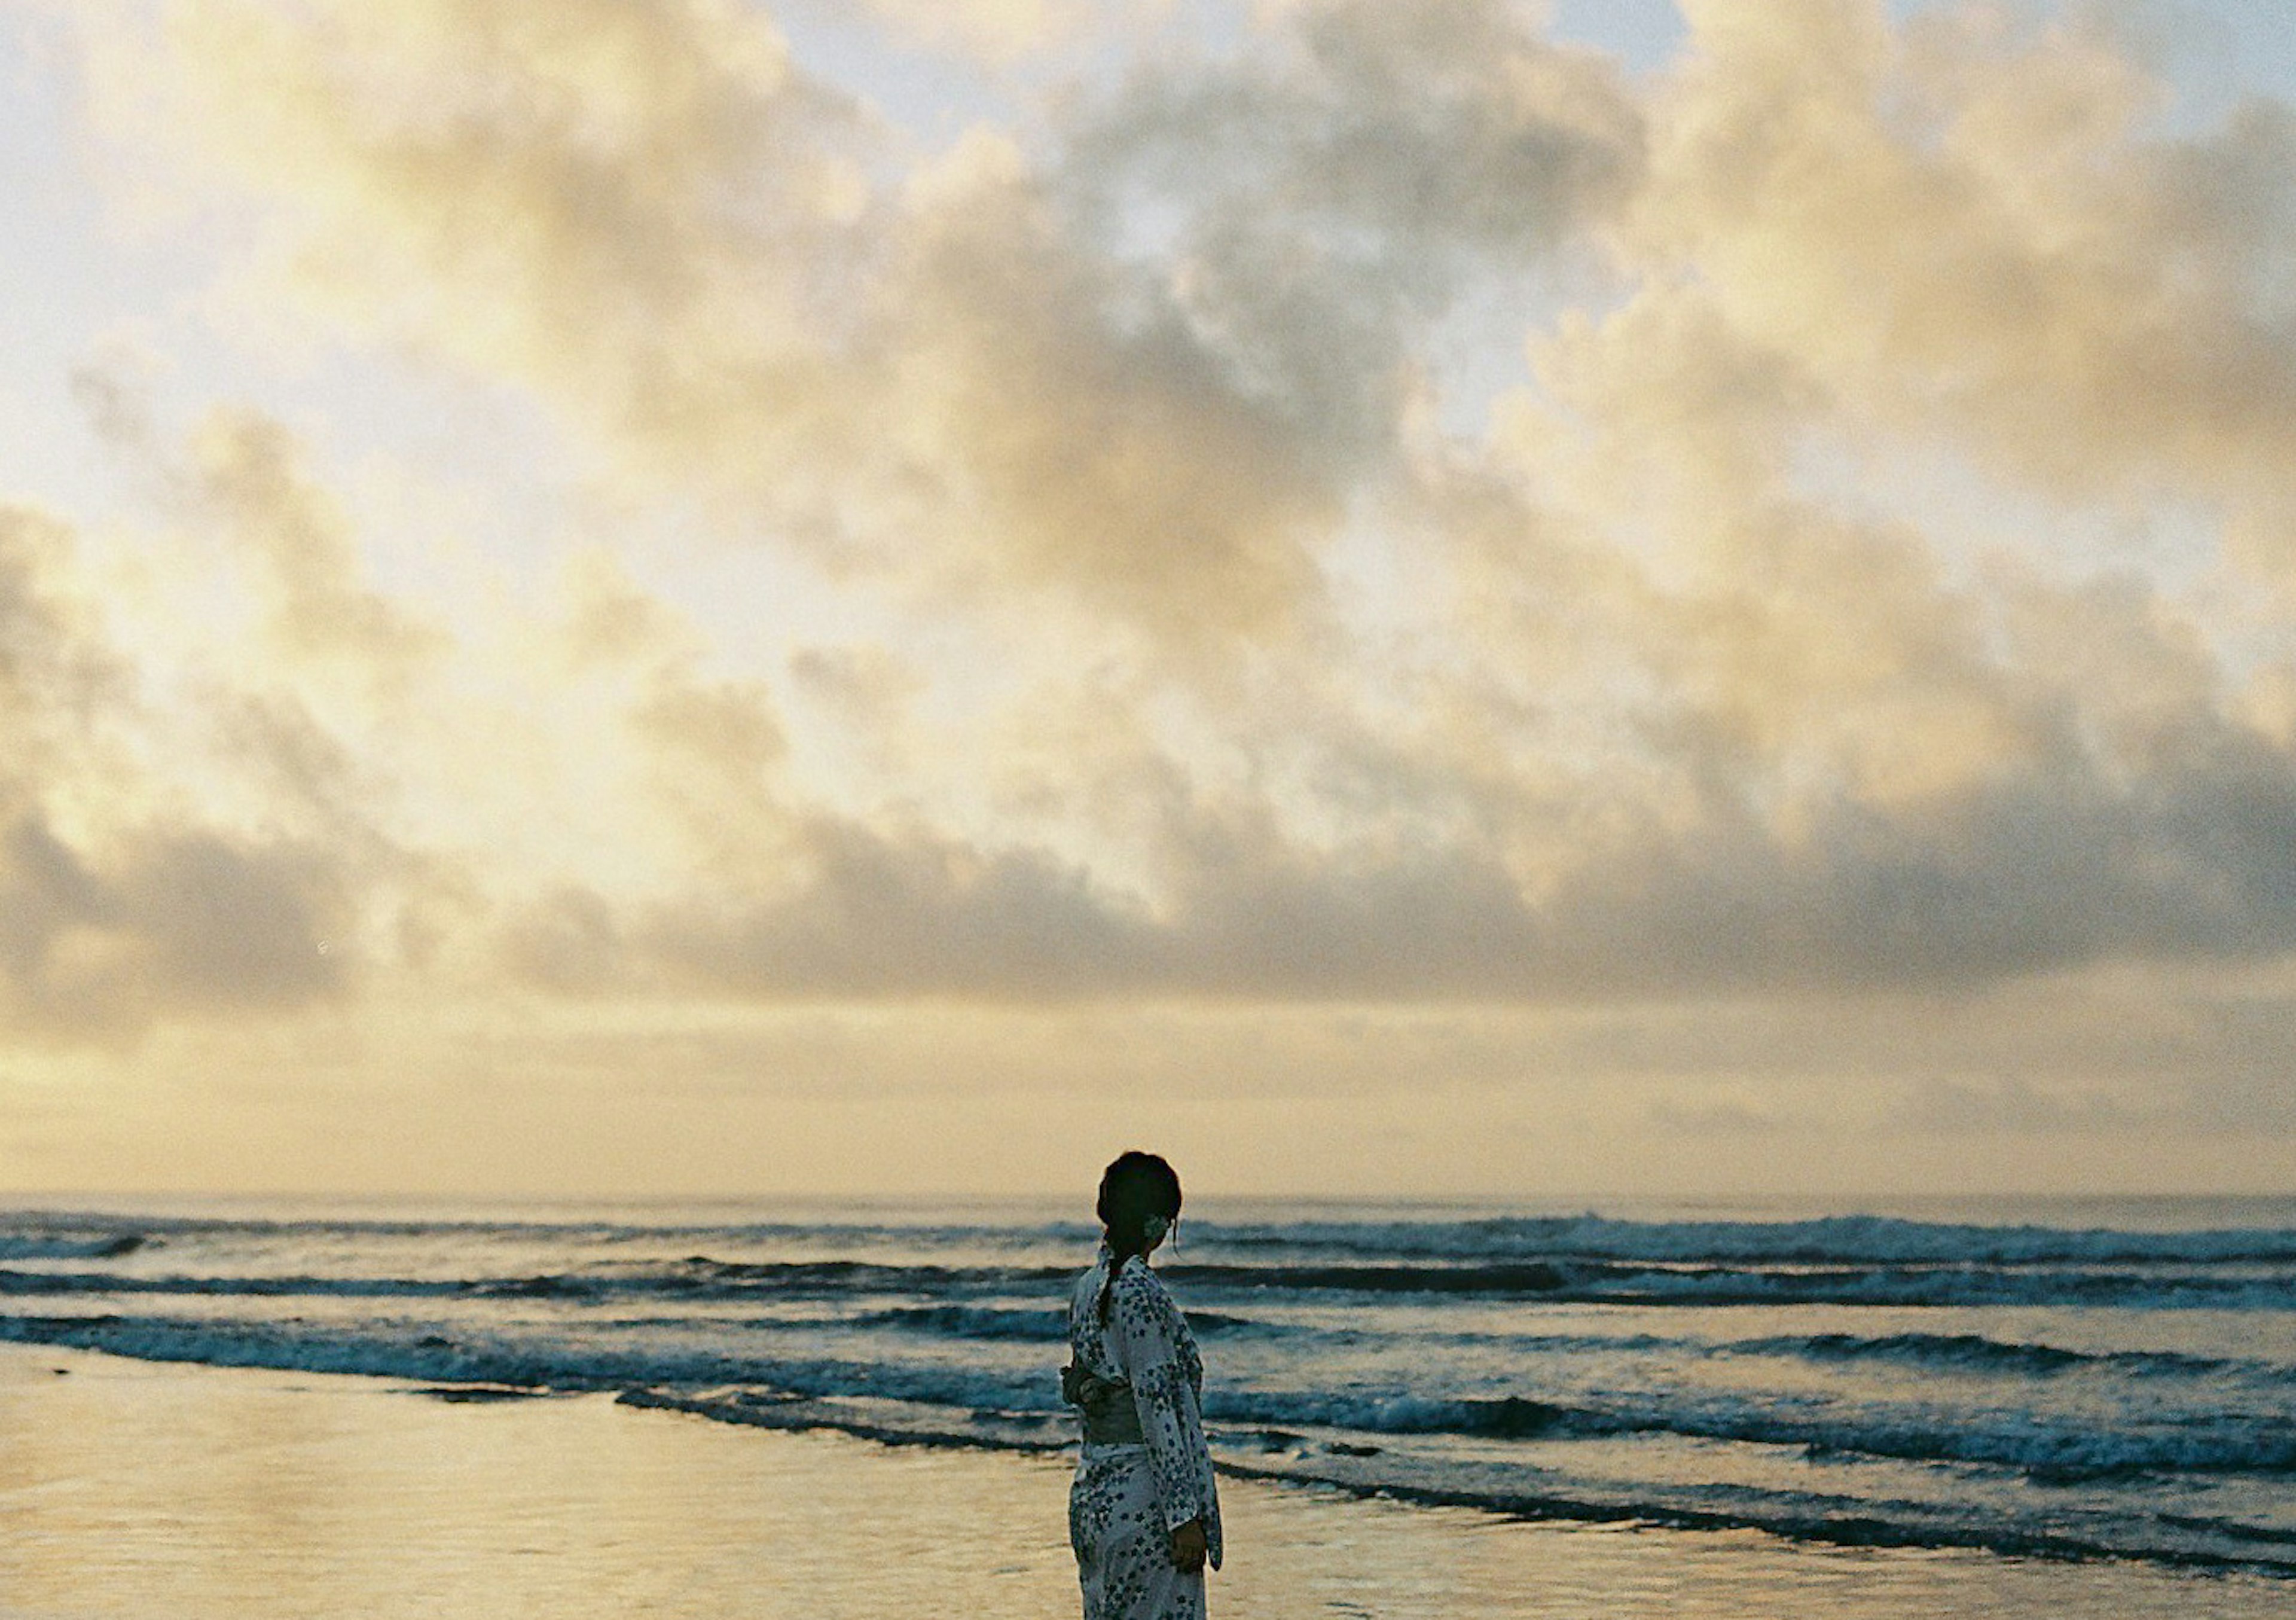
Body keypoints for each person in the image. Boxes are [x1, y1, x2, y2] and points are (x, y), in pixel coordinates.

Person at [1062, 1151, 1223, 1620]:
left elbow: (1087, 1388)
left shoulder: (1089, 1287)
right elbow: (1156, 1407)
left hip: (1095, 1496)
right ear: (1156, 1220)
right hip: (1144, 1503)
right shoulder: (1139, 1294)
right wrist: (1183, 1517)